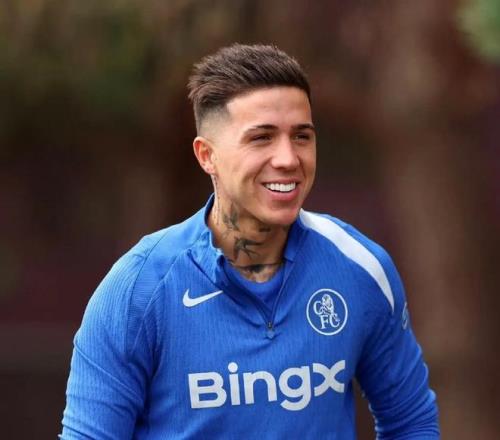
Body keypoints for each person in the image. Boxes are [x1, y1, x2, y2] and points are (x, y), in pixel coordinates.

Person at [60, 44, 439, 439]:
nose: (288, 158)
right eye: (262, 138)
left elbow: (411, 422)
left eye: (302, 136)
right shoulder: (138, 290)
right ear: (207, 156)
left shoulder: (360, 268)